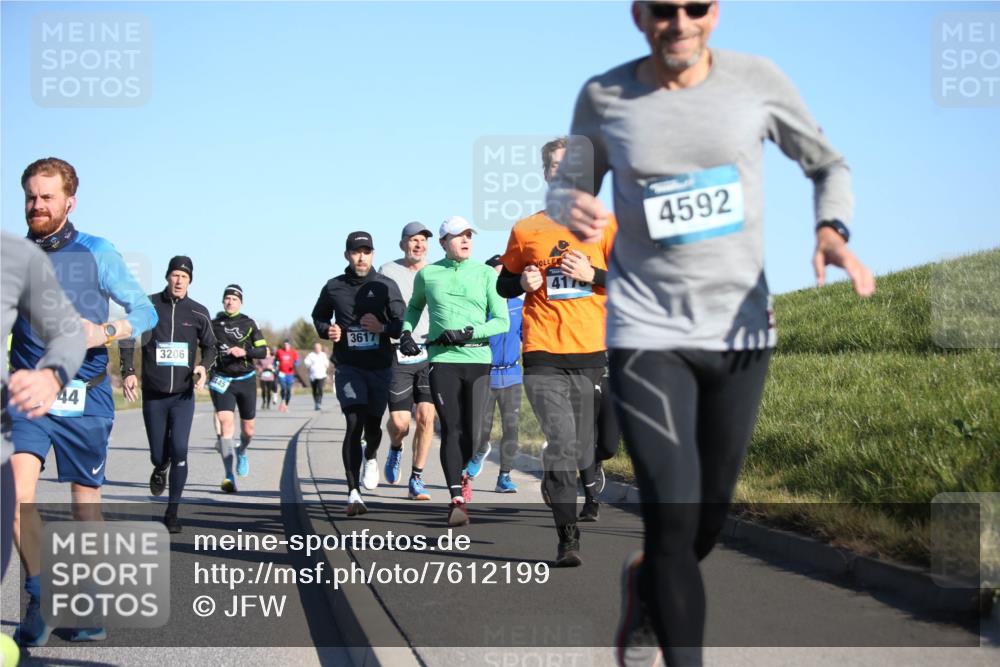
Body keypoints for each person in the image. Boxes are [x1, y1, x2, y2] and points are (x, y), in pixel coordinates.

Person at [545, 3, 875, 664]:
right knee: (671, 516)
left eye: (694, 7)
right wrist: (569, 204)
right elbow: (567, 186)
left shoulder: (756, 80)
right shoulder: (605, 95)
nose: (679, 22)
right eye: (663, 10)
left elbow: (828, 164)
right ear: (639, 15)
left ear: (715, 13)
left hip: (740, 332)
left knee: (704, 522)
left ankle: (644, 588)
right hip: (646, 331)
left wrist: (832, 231)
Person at [10, 157, 157, 646]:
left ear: (68, 201)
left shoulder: (98, 252)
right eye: (31, 196)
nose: (36, 205)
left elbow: (144, 311)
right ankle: (40, 594)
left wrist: (105, 330)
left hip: (87, 397)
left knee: (84, 508)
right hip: (32, 394)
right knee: (16, 497)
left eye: (46, 197)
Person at [497, 137, 617, 566]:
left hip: (591, 352)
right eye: (554, 166)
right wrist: (521, 284)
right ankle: (568, 536)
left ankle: (570, 473)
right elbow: (504, 282)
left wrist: (593, 272)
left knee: (594, 445)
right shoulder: (527, 229)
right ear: (546, 174)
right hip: (543, 350)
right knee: (563, 442)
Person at [399, 216, 509, 527]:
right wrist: (406, 332)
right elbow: (414, 307)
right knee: (450, 427)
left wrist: (469, 333)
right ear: (444, 242)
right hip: (442, 359)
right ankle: (455, 499)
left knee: (475, 435)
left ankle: (464, 471)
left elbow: (501, 321)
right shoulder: (429, 274)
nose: (465, 240)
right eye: (457, 236)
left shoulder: (487, 274)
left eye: (469, 235)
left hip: (477, 358)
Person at [311, 231, 406, 516]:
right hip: (349, 367)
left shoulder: (387, 285)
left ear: (373, 254)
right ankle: (353, 493)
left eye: (366, 251)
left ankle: (372, 454)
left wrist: (382, 328)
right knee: (354, 422)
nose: (361, 257)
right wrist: (327, 330)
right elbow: (318, 316)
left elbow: (402, 323)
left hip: (379, 366)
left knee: (373, 425)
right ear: (347, 256)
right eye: (356, 252)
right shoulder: (334, 287)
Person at [119, 256, 216, 533]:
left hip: (183, 396)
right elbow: (127, 336)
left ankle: (172, 512)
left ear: (190, 281)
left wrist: (203, 367)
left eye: (184, 277)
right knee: (159, 453)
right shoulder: (148, 306)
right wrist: (128, 371)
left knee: (181, 450)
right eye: (175, 275)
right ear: (167, 277)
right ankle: (160, 467)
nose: (178, 280)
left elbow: (211, 347)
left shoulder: (198, 312)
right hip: (154, 394)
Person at [378, 222, 436, 500]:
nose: (418, 245)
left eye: (423, 240)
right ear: (402, 244)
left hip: (430, 351)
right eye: (413, 240)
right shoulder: (387, 272)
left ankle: (417, 478)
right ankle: (395, 447)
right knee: (401, 423)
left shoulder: (436, 272)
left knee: (426, 417)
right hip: (397, 351)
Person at [467, 255, 523, 494]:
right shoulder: (480, 306)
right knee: (482, 429)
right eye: (497, 273)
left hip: (512, 374)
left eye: (505, 273)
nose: (501, 278)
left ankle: (504, 477)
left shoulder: (519, 305)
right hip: (485, 375)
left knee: (511, 428)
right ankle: (480, 451)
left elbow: (527, 337)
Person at [209, 284, 267, 492]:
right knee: (225, 423)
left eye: (234, 299)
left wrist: (245, 351)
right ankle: (228, 475)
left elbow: (263, 351)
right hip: (222, 379)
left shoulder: (249, 323)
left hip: (246, 380)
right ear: (223, 301)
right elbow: (205, 348)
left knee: (248, 430)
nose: (230, 301)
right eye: (227, 298)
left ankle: (242, 451)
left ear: (240, 302)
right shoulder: (213, 324)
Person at [274, 339, 300, 412]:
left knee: (288, 390)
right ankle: (283, 400)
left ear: (289, 345)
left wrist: (296, 364)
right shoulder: (279, 351)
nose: (286, 346)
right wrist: (274, 366)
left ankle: (286, 404)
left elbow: (297, 361)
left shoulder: (293, 352)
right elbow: (275, 360)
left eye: (287, 344)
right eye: (284, 344)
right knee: (283, 387)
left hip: (290, 374)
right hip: (281, 373)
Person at [303, 342, 331, 410]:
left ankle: (319, 402)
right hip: (313, 376)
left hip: (322, 375)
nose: (317, 349)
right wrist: (310, 364)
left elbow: (327, 363)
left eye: (319, 348)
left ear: (320, 348)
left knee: (320, 388)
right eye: (316, 348)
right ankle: (316, 402)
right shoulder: (311, 355)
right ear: (314, 348)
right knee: (315, 390)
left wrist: (326, 366)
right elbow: (306, 363)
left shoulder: (323, 355)